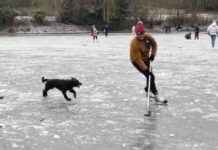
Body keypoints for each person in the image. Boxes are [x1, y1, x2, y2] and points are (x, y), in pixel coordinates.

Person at [129, 21, 163, 102]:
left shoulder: (148, 37)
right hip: (136, 60)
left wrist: (153, 54)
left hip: (146, 58)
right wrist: (145, 69)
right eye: (138, 34)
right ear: (136, 34)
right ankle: (155, 94)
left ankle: (147, 89)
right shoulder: (134, 43)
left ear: (144, 32)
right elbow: (137, 59)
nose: (140, 36)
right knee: (151, 76)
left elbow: (154, 44)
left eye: (141, 34)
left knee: (149, 76)